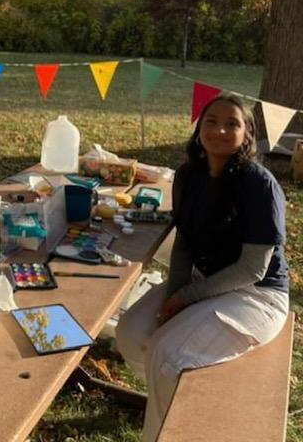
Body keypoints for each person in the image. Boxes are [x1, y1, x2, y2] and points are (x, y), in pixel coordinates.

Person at [116, 94, 289, 442]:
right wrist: (175, 294)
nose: (219, 130)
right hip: (205, 281)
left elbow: (253, 268)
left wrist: (186, 298)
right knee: (131, 333)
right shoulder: (188, 176)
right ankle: (166, 401)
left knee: (168, 354)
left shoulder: (259, 184)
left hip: (257, 296)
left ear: (247, 134)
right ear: (199, 129)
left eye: (231, 124)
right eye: (211, 121)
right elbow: (185, 242)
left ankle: (161, 432)